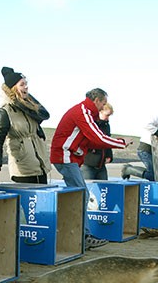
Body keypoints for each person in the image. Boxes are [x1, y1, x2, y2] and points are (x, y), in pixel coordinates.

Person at [50, 88, 130, 249]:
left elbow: (92, 141)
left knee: (79, 194)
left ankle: (77, 234)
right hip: (65, 157)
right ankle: (83, 236)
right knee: (81, 194)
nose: (104, 107)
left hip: (69, 158)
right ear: (97, 100)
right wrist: (121, 142)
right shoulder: (83, 112)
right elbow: (97, 137)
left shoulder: (86, 112)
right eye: (103, 103)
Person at [0, 67, 50, 184]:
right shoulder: (5, 111)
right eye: (22, 84)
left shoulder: (30, 109)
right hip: (23, 169)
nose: (26, 87)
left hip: (41, 167)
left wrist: (27, 100)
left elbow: (44, 115)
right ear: (13, 88)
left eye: (26, 84)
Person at [121, 103, 158, 180]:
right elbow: (147, 125)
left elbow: (154, 135)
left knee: (157, 175)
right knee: (153, 175)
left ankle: (129, 169)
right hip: (145, 149)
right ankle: (128, 170)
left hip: (152, 150)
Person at [82, 103, 114, 180]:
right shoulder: (90, 124)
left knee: (104, 189)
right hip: (88, 164)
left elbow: (107, 141)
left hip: (101, 165)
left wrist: (109, 155)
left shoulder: (106, 125)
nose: (108, 118)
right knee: (87, 188)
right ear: (99, 112)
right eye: (107, 115)